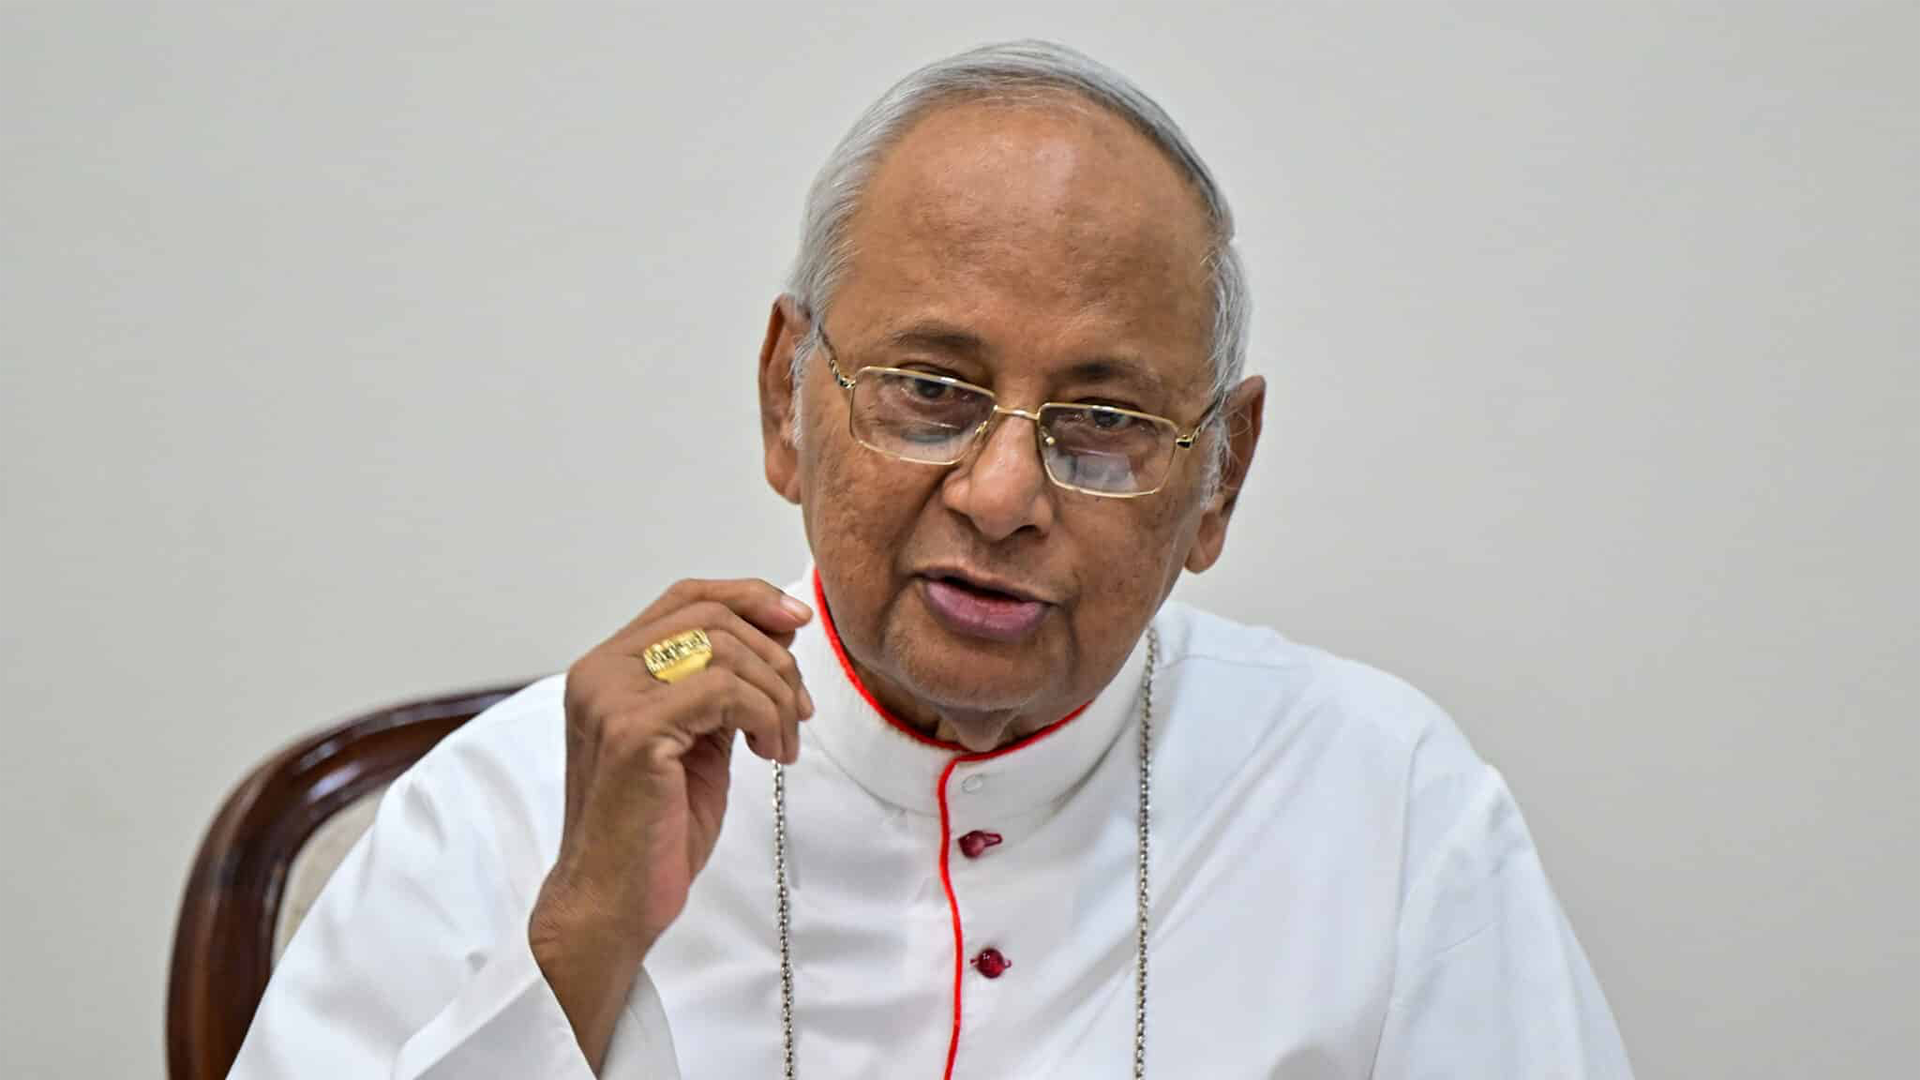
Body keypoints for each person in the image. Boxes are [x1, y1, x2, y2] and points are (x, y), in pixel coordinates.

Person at [229, 40, 1632, 1079]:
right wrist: (585, 932)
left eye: (1104, 422)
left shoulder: (1386, 804)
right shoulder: (511, 805)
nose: (1002, 494)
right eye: (928, 391)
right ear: (786, 398)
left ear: (1221, 476)